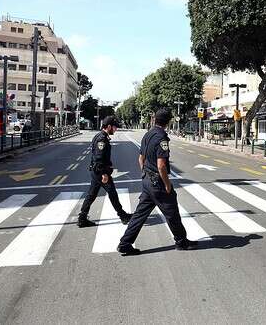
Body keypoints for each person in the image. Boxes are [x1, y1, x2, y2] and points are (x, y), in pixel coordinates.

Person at [117, 108, 197, 255]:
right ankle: (181, 241)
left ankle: (125, 243)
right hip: (158, 183)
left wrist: (144, 174)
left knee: (139, 215)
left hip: (148, 181)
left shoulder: (147, 135)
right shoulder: (162, 138)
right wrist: (167, 184)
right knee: (172, 212)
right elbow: (161, 165)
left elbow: (141, 158)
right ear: (168, 122)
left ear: (155, 120)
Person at [78, 116, 132, 227]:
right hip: (100, 172)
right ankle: (123, 216)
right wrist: (104, 173)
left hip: (96, 171)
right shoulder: (102, 139)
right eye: (114, 127)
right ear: (108, 127)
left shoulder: (101, 136)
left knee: (91, 195)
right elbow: (99, 157)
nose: (116, 129)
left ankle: (82, 218)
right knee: (112, 193)